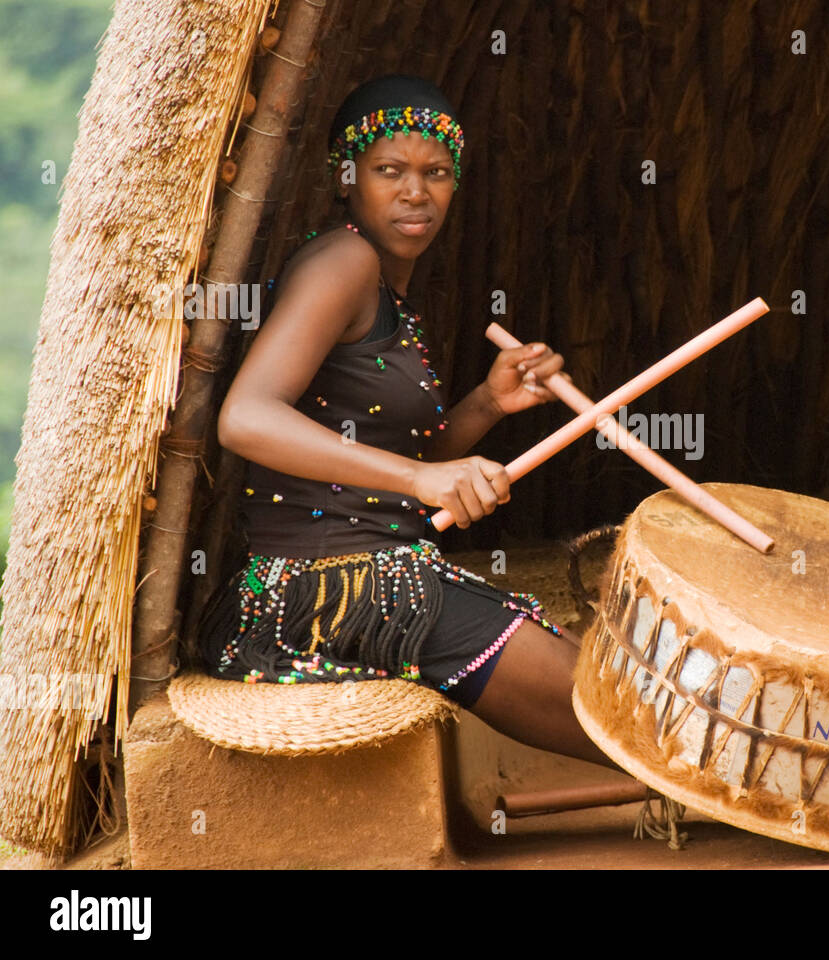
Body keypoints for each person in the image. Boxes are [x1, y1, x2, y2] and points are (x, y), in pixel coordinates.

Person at [196, 73, 623, 773]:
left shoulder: (390, 294)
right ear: (348, 177)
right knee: (606, 702)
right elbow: (245, 418)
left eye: (437, 173)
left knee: (597, 683)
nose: (415, 192)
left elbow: (392, 465)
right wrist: (424, 476)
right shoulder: (345, 260)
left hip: (376, 573)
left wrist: (488, 402)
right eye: (388, 170)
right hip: (318, 590)